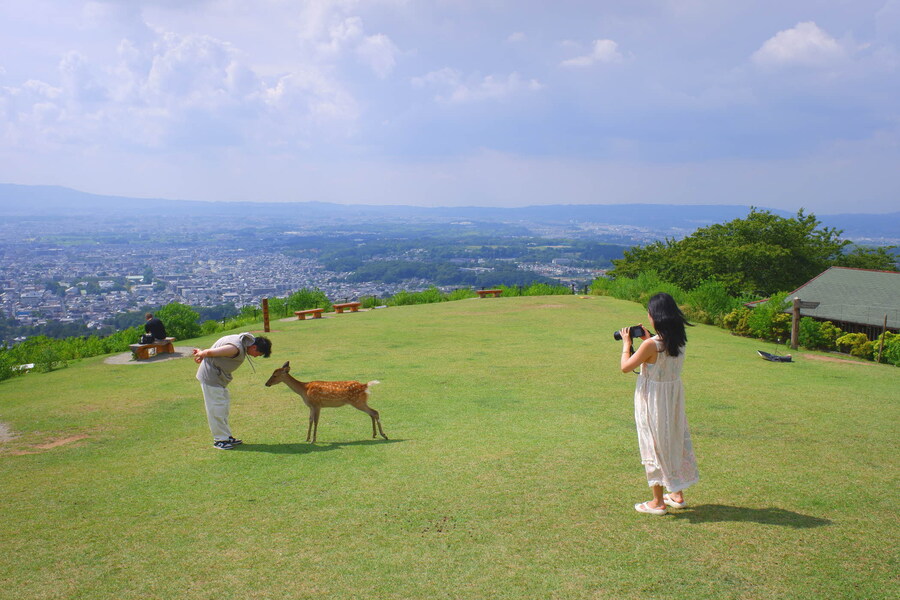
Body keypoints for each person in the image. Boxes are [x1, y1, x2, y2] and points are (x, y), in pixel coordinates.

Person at [618, 292, 699, 516]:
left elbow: (625, 367)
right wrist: (647, 340)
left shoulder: (652, 345)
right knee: (673, 441)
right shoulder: (677, 340)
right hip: (672, 398)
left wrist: (627, 344)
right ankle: (676, 494)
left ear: (656, 316)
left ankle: (657, 502)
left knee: (652, 443)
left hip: (653, 400)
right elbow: (660, 358)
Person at [193, 333, 272, 450]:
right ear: (254, 347)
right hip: (211, 378)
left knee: (223, 408)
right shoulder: (235, 348)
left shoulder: (243, 342)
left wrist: (203, 355)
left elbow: (215, 352)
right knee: (216, 409)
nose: (255, 357)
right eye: (258, 354)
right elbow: (210, 352)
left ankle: (226, 436)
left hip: (219, 378)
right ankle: (220, 440)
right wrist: (201, 353)